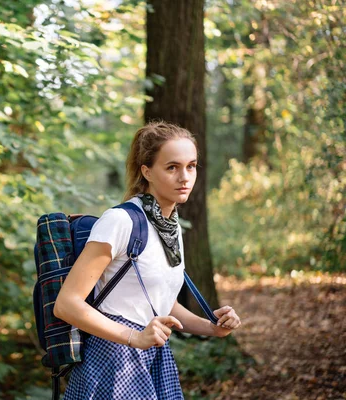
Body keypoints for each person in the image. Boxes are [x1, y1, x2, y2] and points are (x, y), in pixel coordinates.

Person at [53, 121, 241, 399]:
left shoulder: (171, 227)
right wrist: (134, 338)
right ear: (147, 171)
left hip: (152, 356)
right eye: (172, 167)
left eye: (191, 166)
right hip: (111, 362)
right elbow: (66, 304)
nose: (185, 177)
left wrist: (212, 328)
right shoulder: (120, 221)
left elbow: (163, 303)